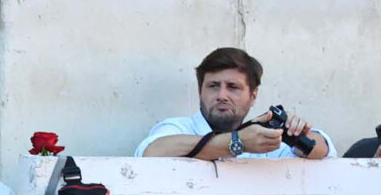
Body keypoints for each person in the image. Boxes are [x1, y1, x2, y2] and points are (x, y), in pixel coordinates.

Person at [136, 47, 336, 160]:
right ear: (200, 91)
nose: (222, 95)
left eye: (233, 87)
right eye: (213, 86)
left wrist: (296, 134)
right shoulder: (178, 128)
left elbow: (323, 151)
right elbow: (152, 152)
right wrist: (238, 142)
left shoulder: (263, 139)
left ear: (253, 96)